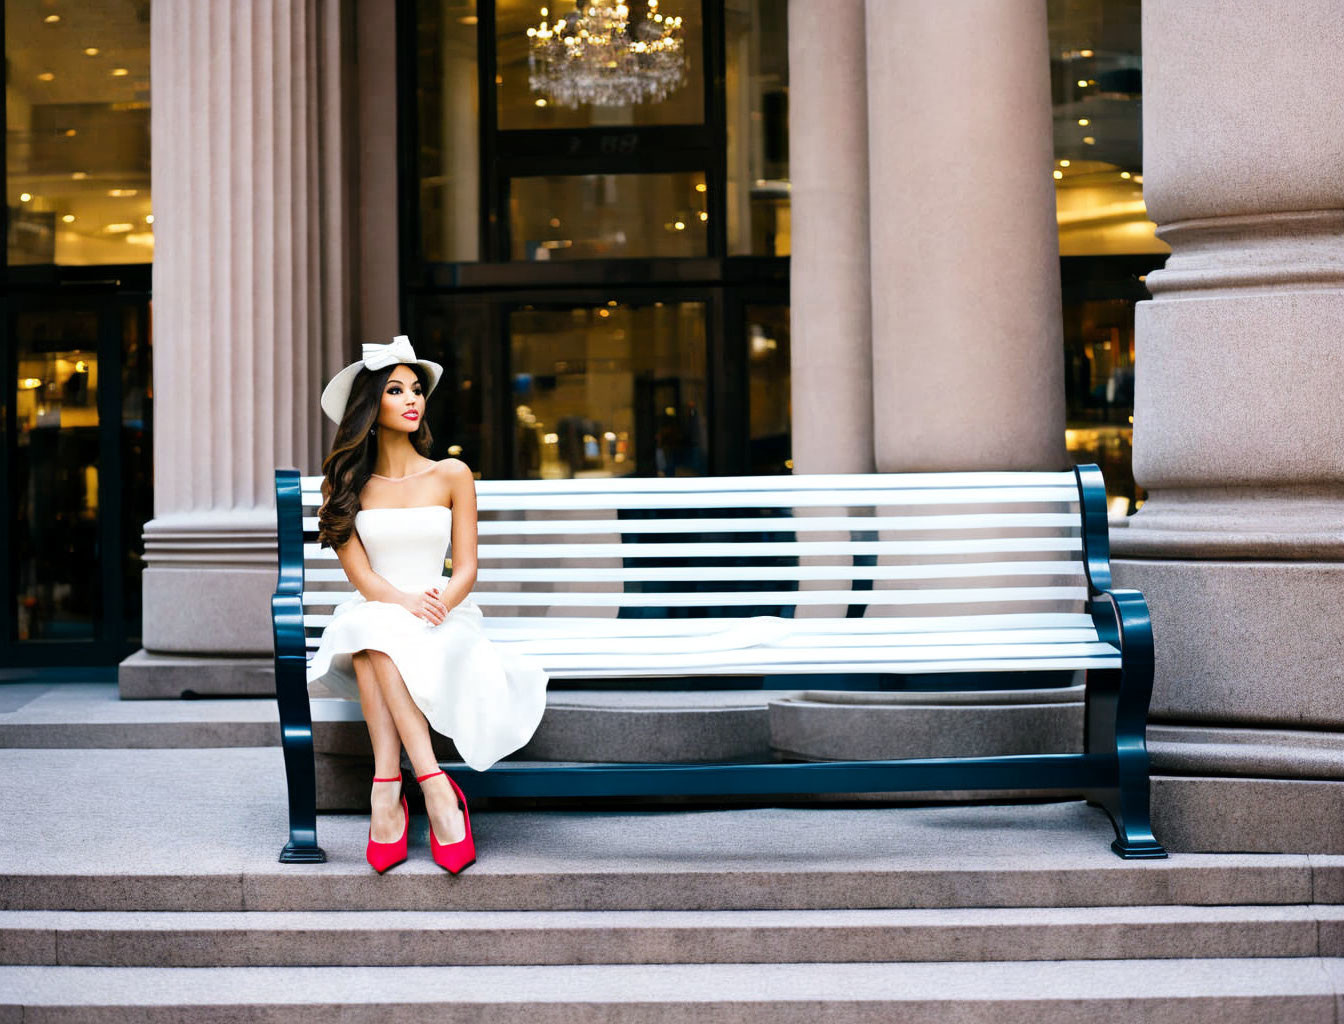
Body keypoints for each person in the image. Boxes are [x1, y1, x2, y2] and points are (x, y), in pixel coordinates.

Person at [306, 335, 549, 875]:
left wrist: (438, 602)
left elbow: (466, 568)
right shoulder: (345, 486)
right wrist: (405, 603)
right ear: (370, 407)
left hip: (445, 616)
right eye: (396, 391)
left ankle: (388, 789)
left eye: (416, 390)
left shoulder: (452, 474)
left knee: (374, 645)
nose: (412, 399)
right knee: (374, 631)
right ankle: (434, 784)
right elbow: (364, 579)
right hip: (381, 607)